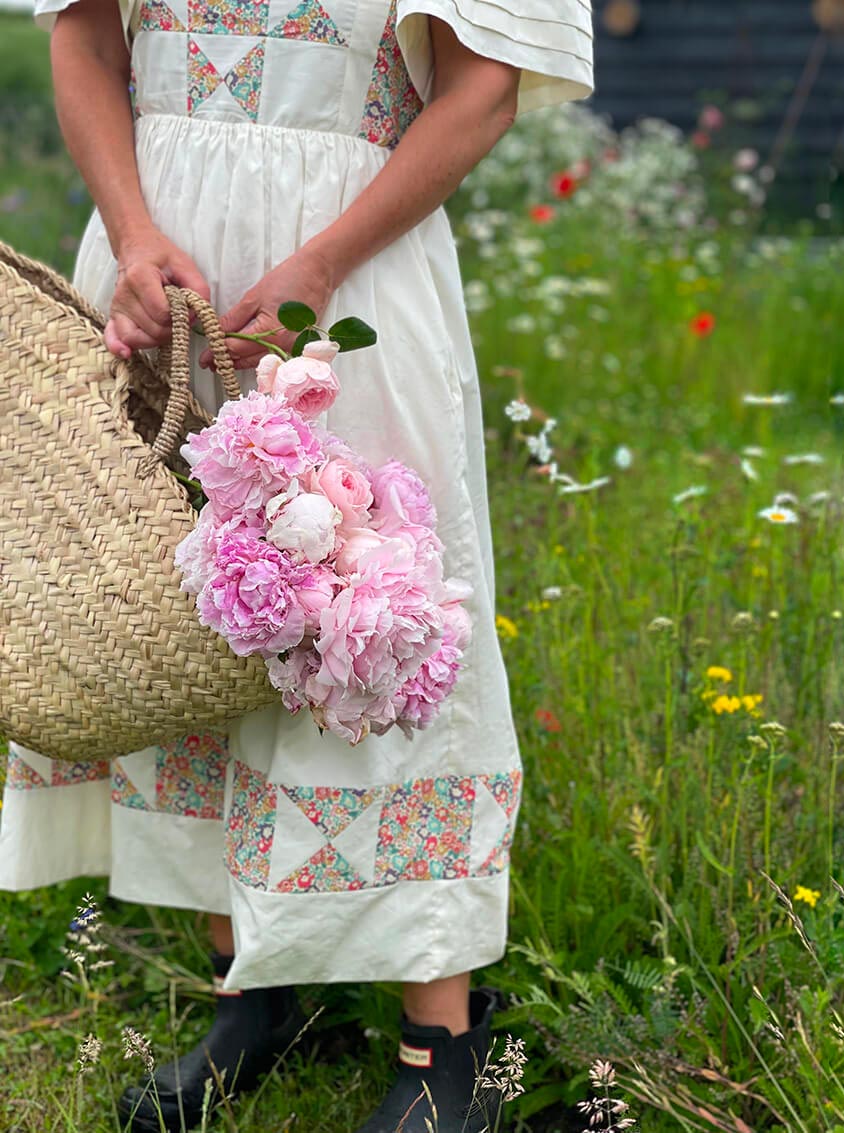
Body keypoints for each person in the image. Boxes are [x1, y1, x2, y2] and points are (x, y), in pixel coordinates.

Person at [0, 0, 593, 1129]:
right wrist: (130, 235)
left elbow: (481, 88)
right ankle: (252, 989)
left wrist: (317, 263)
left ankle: (440, 1041)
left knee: (370, 610)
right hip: (155, 267)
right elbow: (83, 32)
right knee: (171, 614)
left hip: (349, 272)